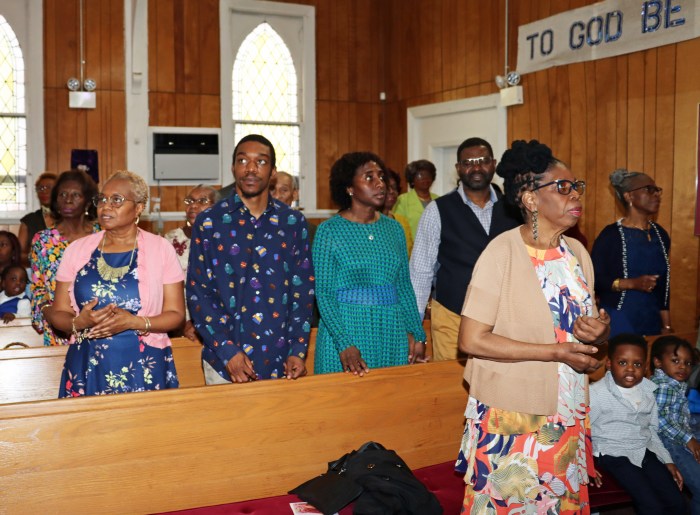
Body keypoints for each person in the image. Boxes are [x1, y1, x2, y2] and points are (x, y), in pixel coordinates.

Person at [457, 140, 609, 513]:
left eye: (576, 186)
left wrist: (601, 332)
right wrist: (555, 352)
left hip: (567, 408)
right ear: (529, 198)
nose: (574, 194)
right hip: (515, 413)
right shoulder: (501, 252)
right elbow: (472, 339)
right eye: (562, 187)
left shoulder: (577, 253)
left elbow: (590, 328)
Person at [187, 134, 314, 384]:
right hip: (223, 362)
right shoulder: (210, 222)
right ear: (233, 167)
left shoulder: (292, 223)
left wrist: (298, 351)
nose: (251, 168)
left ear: (273, 172)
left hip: (281, 360)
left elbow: (303, 290)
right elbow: (198, 292)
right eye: (243, 160)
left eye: (261, 162)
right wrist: (227, 351)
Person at [45, 170, 185, 397]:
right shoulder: (77, 251)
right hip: (87, 363)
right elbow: (59, 311)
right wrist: (77, 322)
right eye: (102, 199)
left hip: (145, 362)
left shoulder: (161, 249)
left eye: (116, 200)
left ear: (138, 207)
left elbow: (176, 313)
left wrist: (135, 322)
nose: (105, 206)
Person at [313, 152, 426, 376]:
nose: (380, 184)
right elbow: (324, 294)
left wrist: (417, 332)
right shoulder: (329, 231)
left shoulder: (393, 229)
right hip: (346, 330)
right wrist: (344, 343)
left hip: (390, 329)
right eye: (369, 177)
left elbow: (403, 286)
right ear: (349, 188)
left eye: (381, 177)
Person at [410, 137, 520, 361]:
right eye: (468, 162)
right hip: (452, 316)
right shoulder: (437, 210)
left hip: (504, 321)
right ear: (458, 168)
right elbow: (420, 272)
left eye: (483, 160)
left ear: (494, 164)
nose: (476, 167)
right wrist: (415, 327)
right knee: (453, 390)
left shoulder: (514, 209)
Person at [590, 333, 686, 515]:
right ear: (609, 364)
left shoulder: (648, 391)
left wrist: (667, 460)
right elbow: (583, 430)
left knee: (676, 501)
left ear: (645, 366)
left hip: (643, 450)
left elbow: (651, 430)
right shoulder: (596, 393)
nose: (630, 369)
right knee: (652, 506)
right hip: (612, 453)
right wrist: (586, 462)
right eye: (622, 362)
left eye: (637, 364)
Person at [591, 168, 671, 337]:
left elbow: (663, 286)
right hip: (619, 318)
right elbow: (594, 279)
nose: (656, 194)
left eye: (657, 190)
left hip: (652, 320)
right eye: (649, 189)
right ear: (629, 196)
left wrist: (667, 327)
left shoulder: (660, 234)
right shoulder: (610, 235)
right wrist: (631, 283)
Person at [30, 170, 100, 346]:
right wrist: (51, 314)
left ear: (87, 201)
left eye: (75, 195)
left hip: (99, 324)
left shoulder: (102, 234)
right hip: (59, 331)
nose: (68, 199)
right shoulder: (43, 240)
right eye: (62, 194)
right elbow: (38, 287)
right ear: (55, 200)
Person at [650, 335, 700, 515]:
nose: (683, 367)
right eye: (676, 360)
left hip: (680, 433)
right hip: (668, 442)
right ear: (658, 362)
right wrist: (688, 439)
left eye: (688, 363)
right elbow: (658, 419)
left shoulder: (676, 384)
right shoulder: (661, 386)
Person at [164, 185, 219, 341]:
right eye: (189, 201)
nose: (193, 206)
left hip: (218, 326)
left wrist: (203, 324)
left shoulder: (226, 242)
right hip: (178, 325)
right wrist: (185, 323)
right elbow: (165, 288)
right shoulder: (171, 239)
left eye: (202, 201)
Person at [391, 159, 438, 240]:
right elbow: (397, 226)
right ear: (412, 180)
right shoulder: (402, 200)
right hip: (410, 249)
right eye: (420, 175)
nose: (425, 178)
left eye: (428, 175)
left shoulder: (439, 200)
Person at [18, 172, 57, 266]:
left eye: (49, 187)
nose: (44, 191)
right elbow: (19, 254)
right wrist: (39, 257)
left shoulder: (69, 218)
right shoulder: (29, 220)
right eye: (41, 188)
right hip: (36, 272)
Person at [381, 169, 413, 254]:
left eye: (394, 188)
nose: (391, 191)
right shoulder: (368, 221)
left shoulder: (402, 221)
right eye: (387, 188)